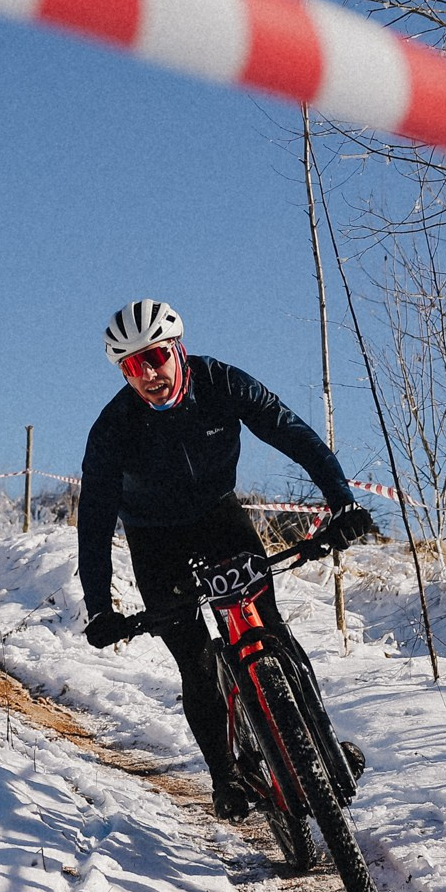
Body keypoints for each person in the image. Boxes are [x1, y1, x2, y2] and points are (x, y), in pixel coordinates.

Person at [77, 298, 377, 818]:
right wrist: (99, 607)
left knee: (271, 629)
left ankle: (324, 748)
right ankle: (225, 778)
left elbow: (292, 433)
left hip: (218, 516)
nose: (149, 374)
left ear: (178, 351)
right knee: (195, 663)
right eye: (132, 366)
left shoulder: (220, 382)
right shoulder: (112, 430)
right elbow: (95, 523)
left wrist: (341, 501)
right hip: (155, 539)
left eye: (156, 358)